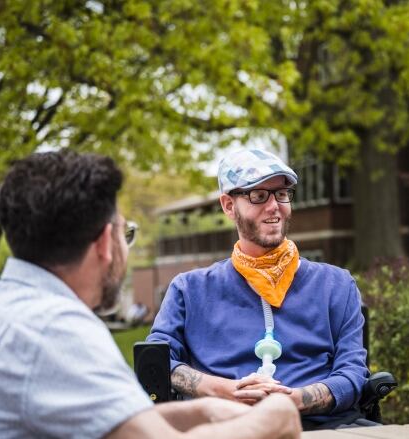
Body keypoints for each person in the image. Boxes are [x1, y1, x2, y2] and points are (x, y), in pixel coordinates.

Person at [0, 150, 300, 439]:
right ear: (104, 245)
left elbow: (121, 422)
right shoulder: (54, 329)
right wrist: (275, 417)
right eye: (127, 233)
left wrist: (203, 410)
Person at [147, 148, 370, 430]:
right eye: (258, 195)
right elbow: (155, 361)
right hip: (227, 429)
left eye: (281, 193)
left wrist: (294, 400)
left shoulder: (337, 285)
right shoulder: (190, 289)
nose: (274, 205)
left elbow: (353, 373)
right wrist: (224, 390)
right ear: (229, 206)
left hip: (325, 429)